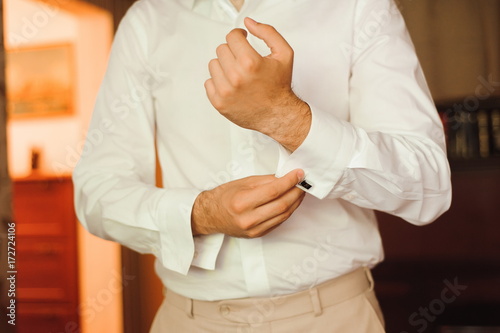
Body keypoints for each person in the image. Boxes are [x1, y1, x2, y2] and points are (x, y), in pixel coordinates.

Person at [73, 0, 452, 331]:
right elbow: (97, 190)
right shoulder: (147, 20)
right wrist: (199, 215)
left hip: (336, 319)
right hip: (187, 321)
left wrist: (284, 116)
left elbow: (428, 185)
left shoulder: (358, 6)